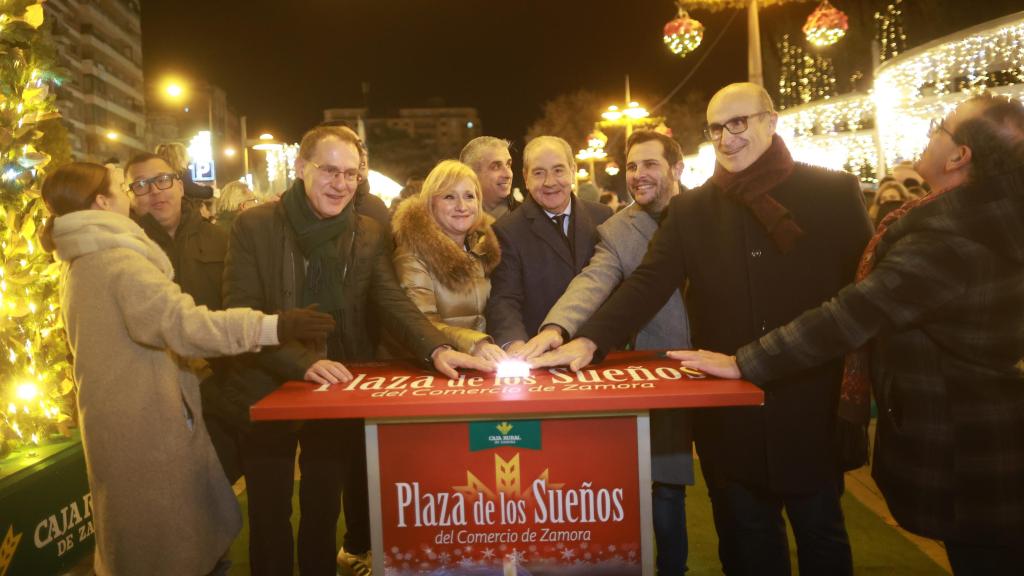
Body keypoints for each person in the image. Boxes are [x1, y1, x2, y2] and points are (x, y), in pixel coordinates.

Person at [672, 92, 1024, 575]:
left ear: (960, 155)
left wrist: (743, 362)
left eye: (940, 127)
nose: (929, 134)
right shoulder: (990, 215)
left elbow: (849, 314)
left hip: (971, 444)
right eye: (716, 127)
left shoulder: (948, 236)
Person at [534, 83, 872, 575]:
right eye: (717, 128)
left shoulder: (832, 193)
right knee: (746, 546)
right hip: (727, 415)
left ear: (771, 121)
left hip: (809, 402)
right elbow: (648, 283)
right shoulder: (693, 210)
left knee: (822, 539)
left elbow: (862, 294)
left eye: (740, 123)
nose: (728, 138)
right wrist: (586, 339)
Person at [40, 162, 335, 576]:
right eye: (126, 187)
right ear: (102, 202)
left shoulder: (81, 259)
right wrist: (275, 325)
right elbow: (187, 324)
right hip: (148, 424)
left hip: (133, 418)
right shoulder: (117, 262)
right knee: (172, 549)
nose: (135, 194)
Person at [221, 124, 492, 575]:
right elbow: (240, 312)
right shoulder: (255, 225)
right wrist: (305, 363)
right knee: (269, 513)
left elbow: (390, 300)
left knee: (324, 509)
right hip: (266, 383)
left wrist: (436, 350)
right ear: (301, 167)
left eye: (350, 174)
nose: (340, 183)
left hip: (335, 390)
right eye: (329, 171)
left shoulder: (366, 231)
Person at [519, 130, 694, 575]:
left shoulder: (709, 212)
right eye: (632, 166)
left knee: (736, 489)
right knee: (667, 487)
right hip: (664, 371)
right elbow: (593, 280)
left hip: (728, 365)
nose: (638, 175)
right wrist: (557, 328)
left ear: (676, 168)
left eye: (649, 164)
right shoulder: (617, 228)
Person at [125, 152, 242, 482]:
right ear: (130, 196)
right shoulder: (125, 251)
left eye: (163, 181)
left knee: (223, 484)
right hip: (156, 394)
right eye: (141, 185)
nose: (156, 192)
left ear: (179, 185)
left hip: (222, 388)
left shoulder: (222, 239)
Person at [485, 135, 613, 354]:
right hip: (540, 356)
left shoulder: (604, 217)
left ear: (573, 171)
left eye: (558, 170)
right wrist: (516, 346)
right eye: (538, 173)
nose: (550, 182)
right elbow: (504, 300)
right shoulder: (507, 230)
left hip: (602, 351)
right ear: (525, 178)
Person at [391, 160, 506, 362]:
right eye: (449, 197)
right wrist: (475, 344)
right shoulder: (412, 255)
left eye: (469, 196)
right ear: (431, 203)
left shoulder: (485, 249)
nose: (461, 206)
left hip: (483, 366)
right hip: (431, 371)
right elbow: (420, 324)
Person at [460, 136, 518, 219]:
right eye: (496, 167)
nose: (508, 174)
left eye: (508, 165)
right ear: (471, 175)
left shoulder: (530, 221)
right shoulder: (453, 223)